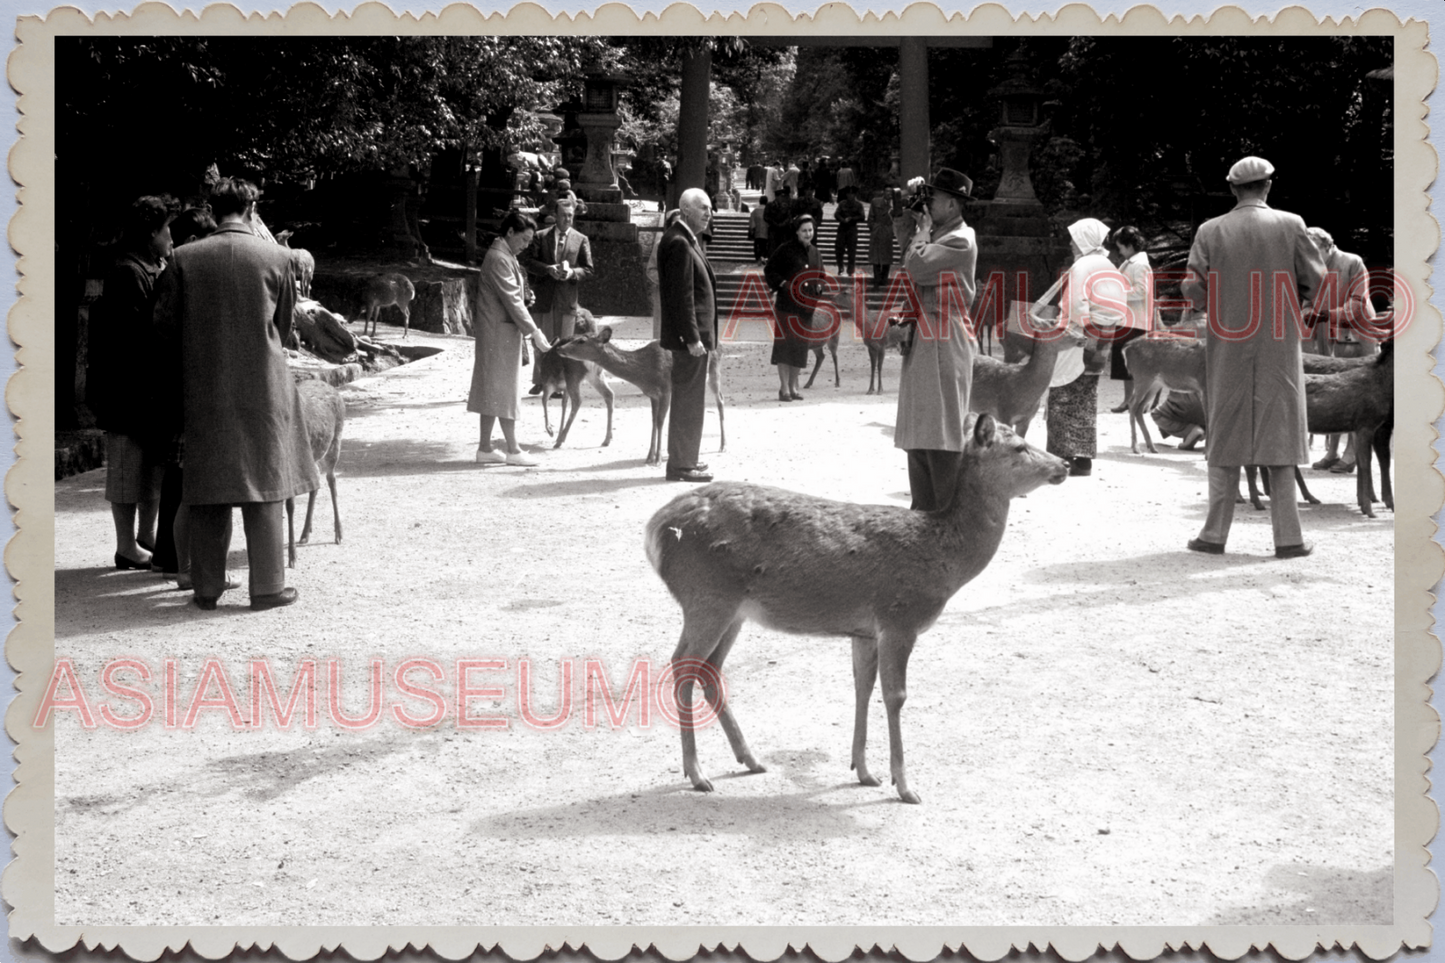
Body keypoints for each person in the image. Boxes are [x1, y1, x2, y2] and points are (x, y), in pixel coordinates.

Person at [153, 178, 316, 611]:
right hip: (264, 386)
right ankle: (267, 588)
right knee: (265, 483)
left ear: (213, 206)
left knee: (207, 486)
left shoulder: (183, 258)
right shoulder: (278, 257)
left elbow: (165, 328)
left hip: (204, 386)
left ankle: (206, 588)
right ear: (251, 208)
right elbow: (282, 329)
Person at [1181, 156, 1326, 558]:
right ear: (1269, 186)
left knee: (1225, 431)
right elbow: (1316, 283)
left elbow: (1191, 288)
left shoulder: (1211, 230)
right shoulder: (1292, 224)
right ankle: (1289, 538)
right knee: (1279, 431)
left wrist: (1221, 304)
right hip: (1278, 343)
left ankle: (1213, 535)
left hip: (1228, 341)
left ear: (1231, 189)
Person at [88, 194, 175, 571]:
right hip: (126, 388)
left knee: (152, 465)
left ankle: (146, 535)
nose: (171, 236)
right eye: (167, 228)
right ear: (152, 231)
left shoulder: (146, 266)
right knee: (126, 466)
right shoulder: (128, 272)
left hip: (143, 387)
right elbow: (139, 333)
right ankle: (127, 545)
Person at [890, 169, 979, 511]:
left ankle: (947, 513)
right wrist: (914, 218)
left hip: (945, 334)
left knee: (941, 427)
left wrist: (923, 231)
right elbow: (908, 254)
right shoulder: (938, 233)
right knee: (920, 427)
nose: (927, 203)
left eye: (934, 198)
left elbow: (917, 266)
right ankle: (922, 510)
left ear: (953, 204)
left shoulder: (961, 239)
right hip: (927, 332)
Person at [148, 206, 217, 585]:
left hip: (171, 386)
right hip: (181, 387)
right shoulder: (179, 275)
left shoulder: (168, 275)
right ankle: (178, 560)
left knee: (177, 478)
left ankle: (166, 555)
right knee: (184, 479)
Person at [1043, 218, 1126, 477]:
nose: (1070, 243)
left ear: (1083, 239)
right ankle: (1084, 459)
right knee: (1087, 396)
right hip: (1104, 338)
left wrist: (1070, 330)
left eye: (1074, 237)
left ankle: (1062, 457)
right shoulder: (1111, 266)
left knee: (1063, 394)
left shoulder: (1081, 266)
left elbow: (1076, 306)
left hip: (1078, 336)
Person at [470, 210, 554, 467]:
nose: (526, 245)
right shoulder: (499, 258)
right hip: (499, 331)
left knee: (493, 388)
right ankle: (513, 448)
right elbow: (512, 301)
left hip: (499, 329)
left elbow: (514, 297)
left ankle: (485, 447)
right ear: (510, 233)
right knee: (504, 390)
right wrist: (535, 332)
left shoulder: (504, 255)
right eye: (525, 239)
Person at [1303, 225, 1376, 471]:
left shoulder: (1352, 262)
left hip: (1356, 336)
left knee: (1356, 395)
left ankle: (1351, 454)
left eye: (1314, 250)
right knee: (1330, 391)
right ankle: (1332, 452)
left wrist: (1324, 315)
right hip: (1326, 335)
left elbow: (1358, 302)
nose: (1310, 256)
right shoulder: (1313, 267)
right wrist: (1307, 314)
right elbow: (1304, 301)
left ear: (1328, 246)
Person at [656, 188, 717, 483]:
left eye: (709, 208)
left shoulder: (685, 239)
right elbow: (682, 296)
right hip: (691, 339)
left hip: (694, 337)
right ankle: (681, 465)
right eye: (703, 208)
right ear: (686, 210)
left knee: (690, 399)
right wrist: (692, 337)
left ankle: (686, 459)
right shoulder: (679, 242)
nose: (709, 213)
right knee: (687, 400)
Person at [520, 197, 593, 394]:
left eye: (570, 215)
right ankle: (540, 380)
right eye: (563, 215)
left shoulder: (581, 239)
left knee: (564, 343)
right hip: (544, 296)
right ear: (555, 216)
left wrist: (572, 273)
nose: (567, 219)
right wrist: (547, 269)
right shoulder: (541, 236)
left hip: (566, 299)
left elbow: (588, 269)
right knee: (541, 341)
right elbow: (528, 260)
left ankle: (561, 385)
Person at [765, 214, 825, 402]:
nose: (808, 234)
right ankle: (784, 389)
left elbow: (821, 274)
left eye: (811, 230)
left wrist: (819, 286)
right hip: (786, 307)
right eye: (804, 230)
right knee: (785, 347)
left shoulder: (815, 252)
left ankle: (793, 386)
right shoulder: (785, 249)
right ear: (797, 232)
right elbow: (770, 269)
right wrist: (782, 283)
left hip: (806, 308)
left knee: (799, 348)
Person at [1107, 225, 1159, 413]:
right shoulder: (1131, 263)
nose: (1119, 251)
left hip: (1134, 320)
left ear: (1129, 245)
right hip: (1127, 318)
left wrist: (1118, 293)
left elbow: (1141, 291)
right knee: (1124, 364)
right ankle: (1128, 400)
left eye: (1121, 246)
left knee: (1134, 363)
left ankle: (1139, 400)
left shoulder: (1139, 264)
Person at [833, 186, 866, 276]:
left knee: (851, 250)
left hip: (852, 229)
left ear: (854, 195)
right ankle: (840, 267)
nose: (850, 196)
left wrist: (852, 219)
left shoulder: (858, 205)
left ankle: (850, 269)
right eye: (848, 194)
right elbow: (836, 214)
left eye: (852, 194)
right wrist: (843, 220)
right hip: (842, 228)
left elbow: (862, 217)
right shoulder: (842, 204)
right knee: (839, 249)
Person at [868, 189, 896, 289]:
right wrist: (873, 227)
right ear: (883, 192)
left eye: (891, 192)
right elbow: (871, 216)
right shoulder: (875, 202)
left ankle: (884, 280)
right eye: (887, 191)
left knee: (886, 257)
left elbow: (897, 218)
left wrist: (892, 230)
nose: (889, 194)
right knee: (876, 258)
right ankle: (877, 280)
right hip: (877, 231)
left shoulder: (894, 204)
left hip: (887, 231)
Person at [764, 186, 795, 255]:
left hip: (784, 231)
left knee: (783, 248)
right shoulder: (770, 205)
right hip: (773, 230)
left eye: (783, 196)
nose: (782, 198)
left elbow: (789, 216)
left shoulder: (786, 206)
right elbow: (766, 216)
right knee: (772, 248)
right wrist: (774, 223)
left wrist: (783, 224)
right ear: (776, 197)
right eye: (780, 196)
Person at [748, 199, 768, 263]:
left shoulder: (755, 211)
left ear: (760, 202)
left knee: (757, 246)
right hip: (766, 233)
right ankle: (763, 258)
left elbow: (752, 224)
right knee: (764, 246)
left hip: (757, 232)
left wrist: (752, 230)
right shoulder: (768, 211)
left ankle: (758, 258)